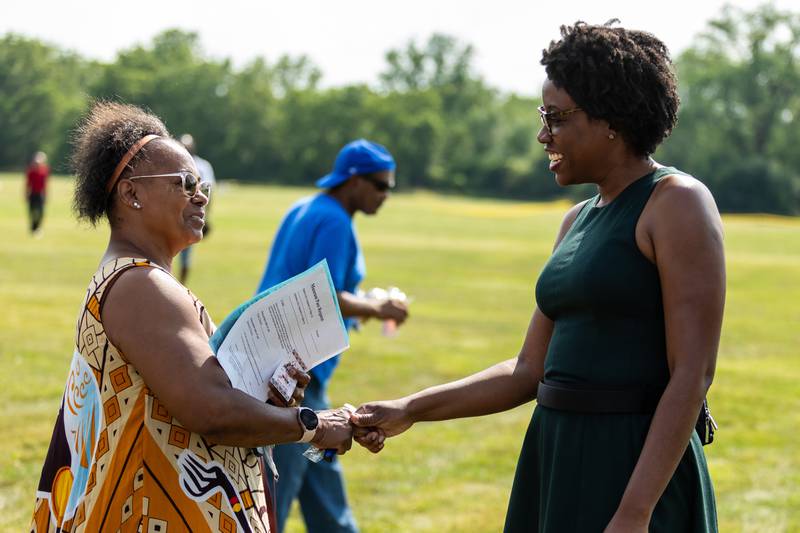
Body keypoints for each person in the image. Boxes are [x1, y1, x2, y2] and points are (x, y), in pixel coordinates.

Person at [351, 22, 725, 533]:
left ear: (610, 118)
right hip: (556, 458)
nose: (542, 134)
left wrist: (635, 512)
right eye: (541, 116)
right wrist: (410, 409)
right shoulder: (576, 220)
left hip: (635, 473)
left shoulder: (677, 203)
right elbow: (529, 370)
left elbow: (691, 375)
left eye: (555, 117)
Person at [30, 102, 354, 533]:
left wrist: (264, 399)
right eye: (185, 183)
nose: (201, 194)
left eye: (202, 185)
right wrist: (312, 425)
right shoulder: (141, 286)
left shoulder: (139, 280)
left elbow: (191, 399)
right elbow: (212, 411)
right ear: (132, 194)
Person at [256, 139, 409, 533]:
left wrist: (365, 302)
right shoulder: (336, 221)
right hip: (295, 381)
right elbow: (323, 294)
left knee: (321, 470)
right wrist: (380, 309)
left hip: (284, 367)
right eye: (381, 185)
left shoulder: (306, 208)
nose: (385, 195)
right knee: (282, 486)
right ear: (354, 180)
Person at [177, 133, 216, 284]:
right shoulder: (172, 164)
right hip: (176, 212)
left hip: (193, 215)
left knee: (186, 254)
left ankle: (181, 285)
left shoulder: (203, 166)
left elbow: (208, 191)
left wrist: (206, 216)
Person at [25, 151, 50, 235]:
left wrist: (46, 195)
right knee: (32, 211)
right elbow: (28, 184)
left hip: (40, 194)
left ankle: (37, 227)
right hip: (32, 194)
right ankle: (33, 227)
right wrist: (26, 194)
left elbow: (45, 184)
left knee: (41, 212)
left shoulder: (45, 170)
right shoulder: (31, 171)